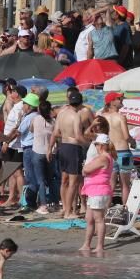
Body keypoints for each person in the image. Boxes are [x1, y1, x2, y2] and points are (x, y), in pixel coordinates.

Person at [50, 90, 94, 220]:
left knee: (64, 181)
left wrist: (65, 136)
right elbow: (78, 136)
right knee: (73, 182)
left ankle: (65, 208)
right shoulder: (76, 116)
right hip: (73, 148)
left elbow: (56, 132)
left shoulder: (61, 114)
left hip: (62, 147)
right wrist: (87, 144)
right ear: (80, 103)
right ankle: (69, 212)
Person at [80, 134, 114, 253]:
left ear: (101, 146)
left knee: (99, 219)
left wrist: (85, 168)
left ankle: (100, 246)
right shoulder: (104, 157)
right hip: (94, 191)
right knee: (89, 218)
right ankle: (87, 244)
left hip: (99, 191)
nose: (95, 147)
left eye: (96, 145)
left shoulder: (103, 158)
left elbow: (86, 169)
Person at [102, 92, 135, 204]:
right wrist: (133, 142)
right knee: (125, 185)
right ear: (112, 102)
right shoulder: (121, 117)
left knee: (110, 184)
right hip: (124, 153)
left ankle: (106, 209)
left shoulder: (102, 117)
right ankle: (125, 209)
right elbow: (126, 136)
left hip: (110, 153)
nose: (121, 100)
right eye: (119, 98)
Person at [30, 100, 56, 214]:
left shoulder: (36, 119)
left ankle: (43, 205)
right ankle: (54, 202)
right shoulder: (53, 121)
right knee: (51, 179)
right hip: (51, 152)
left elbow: (31, 130)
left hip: (38, 151)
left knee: (40, 180)